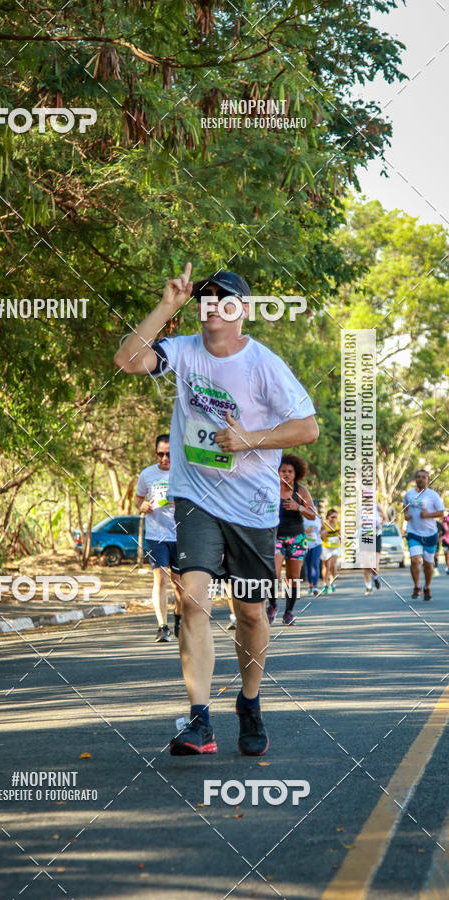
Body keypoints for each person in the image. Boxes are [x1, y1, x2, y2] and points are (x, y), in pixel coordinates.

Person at [115, 262, 318, 756]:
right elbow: (127, 359)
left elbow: (307, 428)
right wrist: (167, 304)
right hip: (195, 497)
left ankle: (249, 703)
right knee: (193, 600)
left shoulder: (263, 364)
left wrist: (251, 439)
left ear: (242, 311)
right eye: (204, 298)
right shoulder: (182, 351)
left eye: (224, 298)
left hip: (252, 506)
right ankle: (199, 720)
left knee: (249, 613)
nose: (212, 305)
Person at [134, 434, 183, 642]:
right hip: (156, 536)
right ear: (155, 453)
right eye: (161, 454)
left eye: (169, 454)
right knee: (160, 579)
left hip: (181, 535)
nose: (165, 458)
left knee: (179, 584)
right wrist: (141, 506)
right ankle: (162, 627)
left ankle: (179, 619)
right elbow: (138, 498)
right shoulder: (147, 474)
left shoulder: (183, 473)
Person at [269, 455, 316, 625]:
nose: (286, 474)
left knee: (293, 577)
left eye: (290, 471)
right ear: (277, 472)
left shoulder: (300, 490)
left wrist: (299, 507)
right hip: (276, 538)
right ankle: (273, 605)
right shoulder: (272, 488)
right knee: (272, 574)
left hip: (297, 538)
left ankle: (289, 611)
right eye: (283, 471)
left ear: (296, 474)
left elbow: (313, 514)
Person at [403, 469, 445, 601]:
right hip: (414, 533)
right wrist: (406, 515)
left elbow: (442, 513)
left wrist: (428, 515)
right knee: (414, 560)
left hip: (430, 534)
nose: (420, 479)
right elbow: (405, 507)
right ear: (415, 479)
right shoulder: (409, 494)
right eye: (418, 477)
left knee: (428, 564)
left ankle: (427, 587)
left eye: (423, 477)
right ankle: (416, 586)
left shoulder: (433, 495)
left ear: (428, 480)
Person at [362, 503, 386, 594]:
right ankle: (368, 586)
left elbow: (385, 517)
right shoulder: (361, 509)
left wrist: (381, 524)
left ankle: (375, 577)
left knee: (375, 565)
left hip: (376, 537)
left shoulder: (377, 506)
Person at [303, 504, 322, 596]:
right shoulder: (302, 518)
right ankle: (310, 586)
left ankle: (315, 586)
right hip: (305, 545)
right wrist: (305, 531)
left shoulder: (319, 518)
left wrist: (323, 533)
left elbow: (324, 530)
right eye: (310, 509)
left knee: (314, 564)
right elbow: (297, 530)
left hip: (317, 544)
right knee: (307, 565)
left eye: (314, 509)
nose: (312, 510)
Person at [321, 509, 340, 593]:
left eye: (335, 517)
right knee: (326, 566)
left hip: (335, 547)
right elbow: (320, 534)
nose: (334, 519)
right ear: (328, 517)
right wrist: (323, 533)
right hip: (326, 547)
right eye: (332, 517)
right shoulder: (324, 524)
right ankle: (325, 584)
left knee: (333, 565)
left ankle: (332, 582)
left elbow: (341, 533)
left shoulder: (337, 524)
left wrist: (341, 537)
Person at [440, 510, 449, 574]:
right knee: (446, 555)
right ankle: (447, 566)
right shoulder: (443, 524)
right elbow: (441, 532)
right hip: (445, 541)